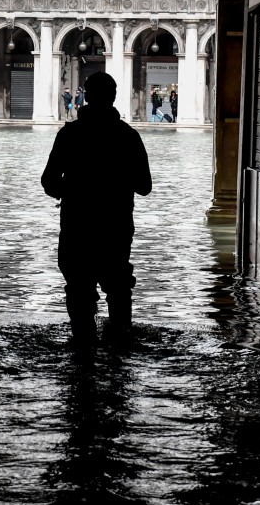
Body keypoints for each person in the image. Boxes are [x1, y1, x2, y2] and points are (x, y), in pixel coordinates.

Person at [41, 71, 152, 347]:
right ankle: (120, 342)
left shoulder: (69, 135)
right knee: (117, 284)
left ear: (86, 97)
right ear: (114, 97)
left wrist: (74, 189)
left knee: (78, 287)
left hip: (77, 225)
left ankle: (82, 343)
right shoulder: (128, 137)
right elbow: (145, 186)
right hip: (116, 225)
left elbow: (49, 182)